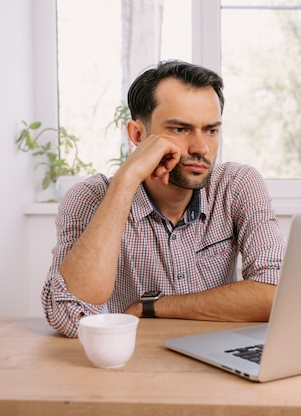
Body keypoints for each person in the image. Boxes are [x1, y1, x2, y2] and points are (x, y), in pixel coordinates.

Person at [41, 60, 286, 338]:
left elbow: (277, 296)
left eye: (211, 130)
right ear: (137, 134)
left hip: (216, 361)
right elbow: (69, 315)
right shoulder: (90, 198)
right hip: (135, 364)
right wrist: (127, 178)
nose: (201, 148)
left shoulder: (237, 186)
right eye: (180, 129)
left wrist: (155, 306)